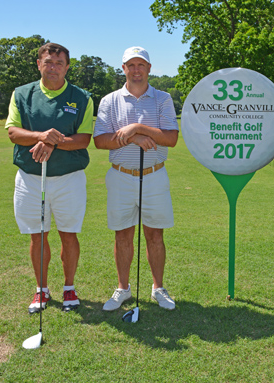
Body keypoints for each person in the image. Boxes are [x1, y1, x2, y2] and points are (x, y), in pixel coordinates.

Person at [6, 43, 94, 314]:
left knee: (69, 235)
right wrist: (42, 136)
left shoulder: (82, 97)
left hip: (69, 178)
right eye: (48, 61)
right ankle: (41, 289)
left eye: (59, 63)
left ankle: (69, 286)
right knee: (37, 236)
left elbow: (83, 139)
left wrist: (54, 143)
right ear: (39, 64)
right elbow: (13, 132)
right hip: (31, 178)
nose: (53, 67)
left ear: (67, 67)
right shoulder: (22, 94)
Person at [94, 46, 179, 311]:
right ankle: (122, 288)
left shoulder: (163, 98)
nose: (136, 70)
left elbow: (171, 138)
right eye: (130, 65)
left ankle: (158, 288)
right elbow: (100, 141)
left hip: (154, 176)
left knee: (155, 234)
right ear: (123, 69)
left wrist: (138, 127)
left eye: (141, 65)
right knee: (122, 235)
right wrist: (134, 138)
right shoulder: (109, 100)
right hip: (121, 176)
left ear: (149, 68)